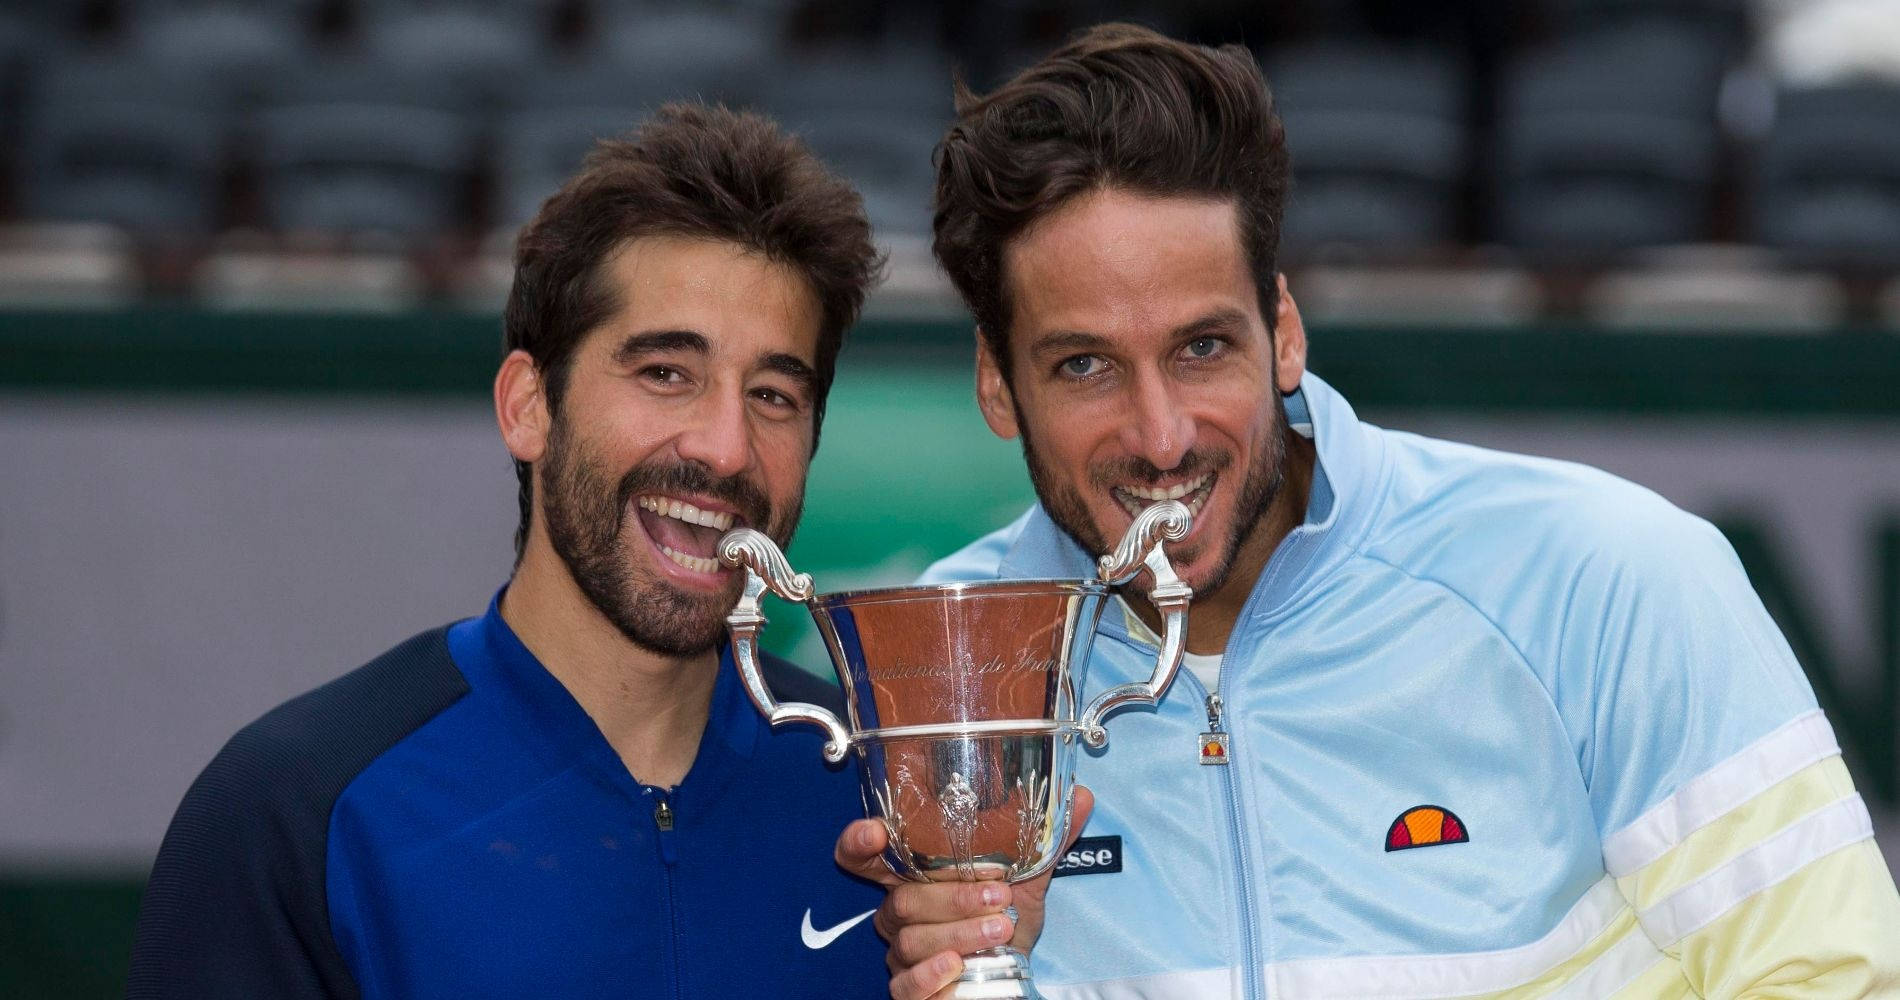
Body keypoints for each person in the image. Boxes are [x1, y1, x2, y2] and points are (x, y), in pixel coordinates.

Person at [839, 24, 1900, 1000]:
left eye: (1202, 347)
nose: (1161, 435)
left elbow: (1831, 979)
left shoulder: (1609, 575)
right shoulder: (938, 677)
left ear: (1284, 330)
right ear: (993, 382)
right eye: (1083, 365)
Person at [127, 103, 890, 999]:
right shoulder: (296, 809)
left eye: (772, 395)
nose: (725, 448)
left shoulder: (886, 792)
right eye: (665, 374)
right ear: (529, 405)